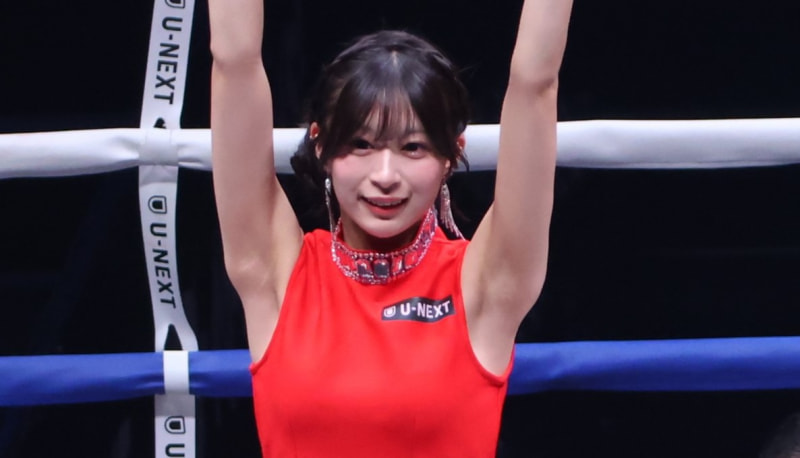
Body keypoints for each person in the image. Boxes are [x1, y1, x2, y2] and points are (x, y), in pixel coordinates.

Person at [208, 0, 572, 456]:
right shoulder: (274, 272)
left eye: (412, 147)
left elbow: (535, 84)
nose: (385, 175)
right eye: (361, 144)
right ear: (320, 146)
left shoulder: (486, 286)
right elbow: (234, 62)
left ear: (451, 155)